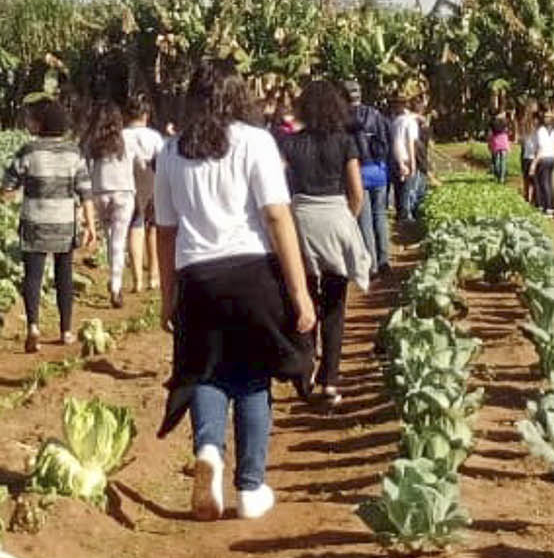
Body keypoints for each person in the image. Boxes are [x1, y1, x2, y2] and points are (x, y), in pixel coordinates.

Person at [154, 61, 315, 522]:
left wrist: (168, 296)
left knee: (205, 371)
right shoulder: (254, 141)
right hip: (251, 272)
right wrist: (299, 290)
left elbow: (165, 230)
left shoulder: (170, 151)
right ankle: (250, 486)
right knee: (251, 375)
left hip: (196, 277)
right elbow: (277, 216)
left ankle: (208, 450)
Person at [277, 79, 371, 406]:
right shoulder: (344, 142)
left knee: (303, 297)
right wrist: (347, 218)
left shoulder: (290, 144)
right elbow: (357, 192)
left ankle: (304, 371)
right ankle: (331, 380)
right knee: (335, 304)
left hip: (300, 220)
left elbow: (277, 188)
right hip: (335, 218)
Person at [2, 100, 91, 352]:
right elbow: (85, 190)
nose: (28, 123)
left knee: (33, 275)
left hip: (35, 221)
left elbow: (8, 183)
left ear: (40, 123)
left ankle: (33, 327)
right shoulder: (73, 152)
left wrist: (2, 193)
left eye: (30, 119)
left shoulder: (28, 151)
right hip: (64, 222)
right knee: (64, 275)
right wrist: (90, 224)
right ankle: (66, 331)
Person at [80, 103, 136, 310]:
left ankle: (114, 280)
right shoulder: (126, 139)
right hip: (124, 192)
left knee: (110, 237)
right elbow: (139, 163)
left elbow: (84, 166)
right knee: (118, 241)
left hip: (99, 193)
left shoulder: (90, 141)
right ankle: (116, 284)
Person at [344, 81, 395, 272]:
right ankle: (384, 260)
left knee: (364, 219)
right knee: (380, 215)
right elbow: (387, 139)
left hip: (358, 172)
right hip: (379, 170)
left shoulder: (344, 119)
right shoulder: (375, 114)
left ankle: (371, 264)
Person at [123, 101, 166, 294]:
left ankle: (137, 279)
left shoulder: (122, 136)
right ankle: (154, 276)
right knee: (154, 229)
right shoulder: (154, 136)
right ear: (145, 116)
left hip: (129, 181)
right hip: (153, 179)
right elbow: (162, 160)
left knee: (135, 227)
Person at [390, 97, 426, 224]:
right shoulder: (411, 123)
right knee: (407, 188)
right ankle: (406, 216)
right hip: (405, 158)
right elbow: (411, 143)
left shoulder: (396, 121)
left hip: (394, 158)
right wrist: (413, 163)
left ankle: (399, 215)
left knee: (398, 189)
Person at [529, 112, 554, 215]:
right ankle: (552, 208)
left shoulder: (541, 131)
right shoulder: (553, 131)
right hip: (552, 158)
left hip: (544, 159)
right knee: (550, 183)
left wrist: (534, 163)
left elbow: (540, 148)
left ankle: (547, 208)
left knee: (544, 184)